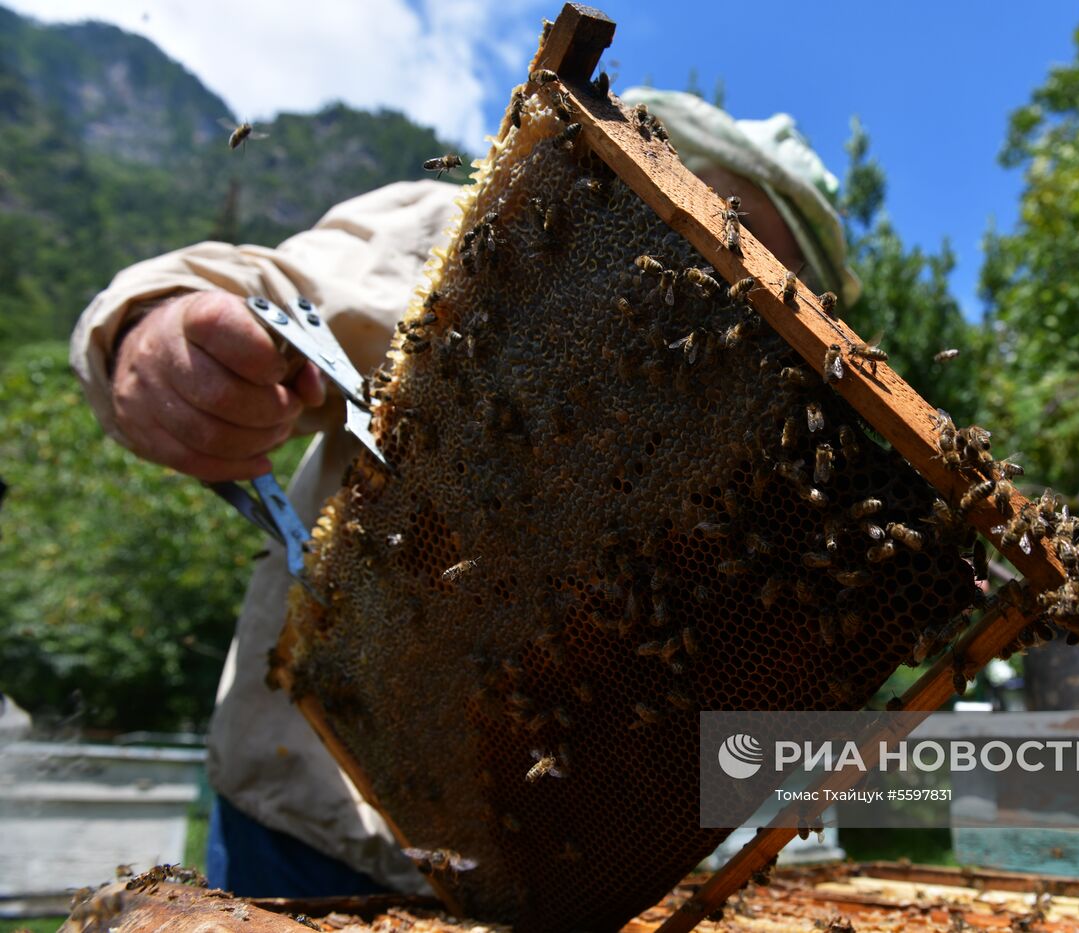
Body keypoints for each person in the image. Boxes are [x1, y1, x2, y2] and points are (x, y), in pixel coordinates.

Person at [70, 88, 859, 897]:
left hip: (539, 887)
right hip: (304, 839)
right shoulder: (491, 242)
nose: (735, 279)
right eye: (730, 226)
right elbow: (276, 288)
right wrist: (157, 332)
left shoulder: (757, 460)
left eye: (776, 281)